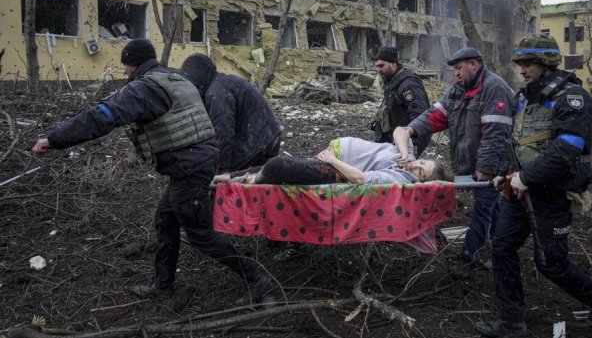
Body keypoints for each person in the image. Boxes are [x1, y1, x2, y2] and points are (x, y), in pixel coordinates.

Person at [31, 39, 270, 302]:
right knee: (165, 220)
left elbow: (102, 116)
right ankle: (162, 285)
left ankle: (255, 277)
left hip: (189, 167)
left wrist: (54, 139)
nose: (124, 72)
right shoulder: (173, 78)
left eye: (125, 67)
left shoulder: (144, 89)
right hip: (196, 162)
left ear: (133, 65)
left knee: (200, 234)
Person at [474, 35, 592, 336]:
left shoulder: (572, 98)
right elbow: (519, 143)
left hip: (551, 194)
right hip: (519, 192)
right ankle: (511, 322)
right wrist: (508, 173)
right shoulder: (525, 97)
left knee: (551, 264)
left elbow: (567, 149)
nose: (522, 69)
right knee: (502, 247)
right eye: (521, 64)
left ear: (546, 64)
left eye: (528, 63)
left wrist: (525, 178)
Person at [400, 47, 515, 275]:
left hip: (494, 165)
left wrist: (485, 168)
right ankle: (505, 249)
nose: (456, 73)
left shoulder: (495, 88)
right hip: (471, 163)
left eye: (459, 68)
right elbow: (435, 115)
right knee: (492, 208)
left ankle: (468, 258)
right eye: (454, 69)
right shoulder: (457, 91)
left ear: (474, 64)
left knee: (482, 209)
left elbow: (495, 134)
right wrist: (411, 129)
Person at [180, 53, 283, 175]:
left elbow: (223, 132)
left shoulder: (216, 93)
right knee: (260, 180)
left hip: (257, 137)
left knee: (223, 178)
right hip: (269, 132)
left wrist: (223, 169)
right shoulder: (221, 83)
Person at [235, 128, 450, 185]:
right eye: (422, 163)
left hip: (335, 168)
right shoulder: (408, 158)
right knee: (274, 166)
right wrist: (405, 153)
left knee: (277, 166)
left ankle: (246, 182)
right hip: (333, 156)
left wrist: (332, 160)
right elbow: (400, 131)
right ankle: (231, 177)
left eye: (421, 173)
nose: (416, 167)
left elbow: (360, 179)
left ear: (420, 182)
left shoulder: (400, 178)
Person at [372, 46, 431, 157]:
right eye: (377, 66)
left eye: (382, 66)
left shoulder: (408, 84)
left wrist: (414, 141)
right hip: (396, 139)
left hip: (407, 140)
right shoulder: (393, 82)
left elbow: (420, 114)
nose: (378, 70)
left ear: (394, 63)